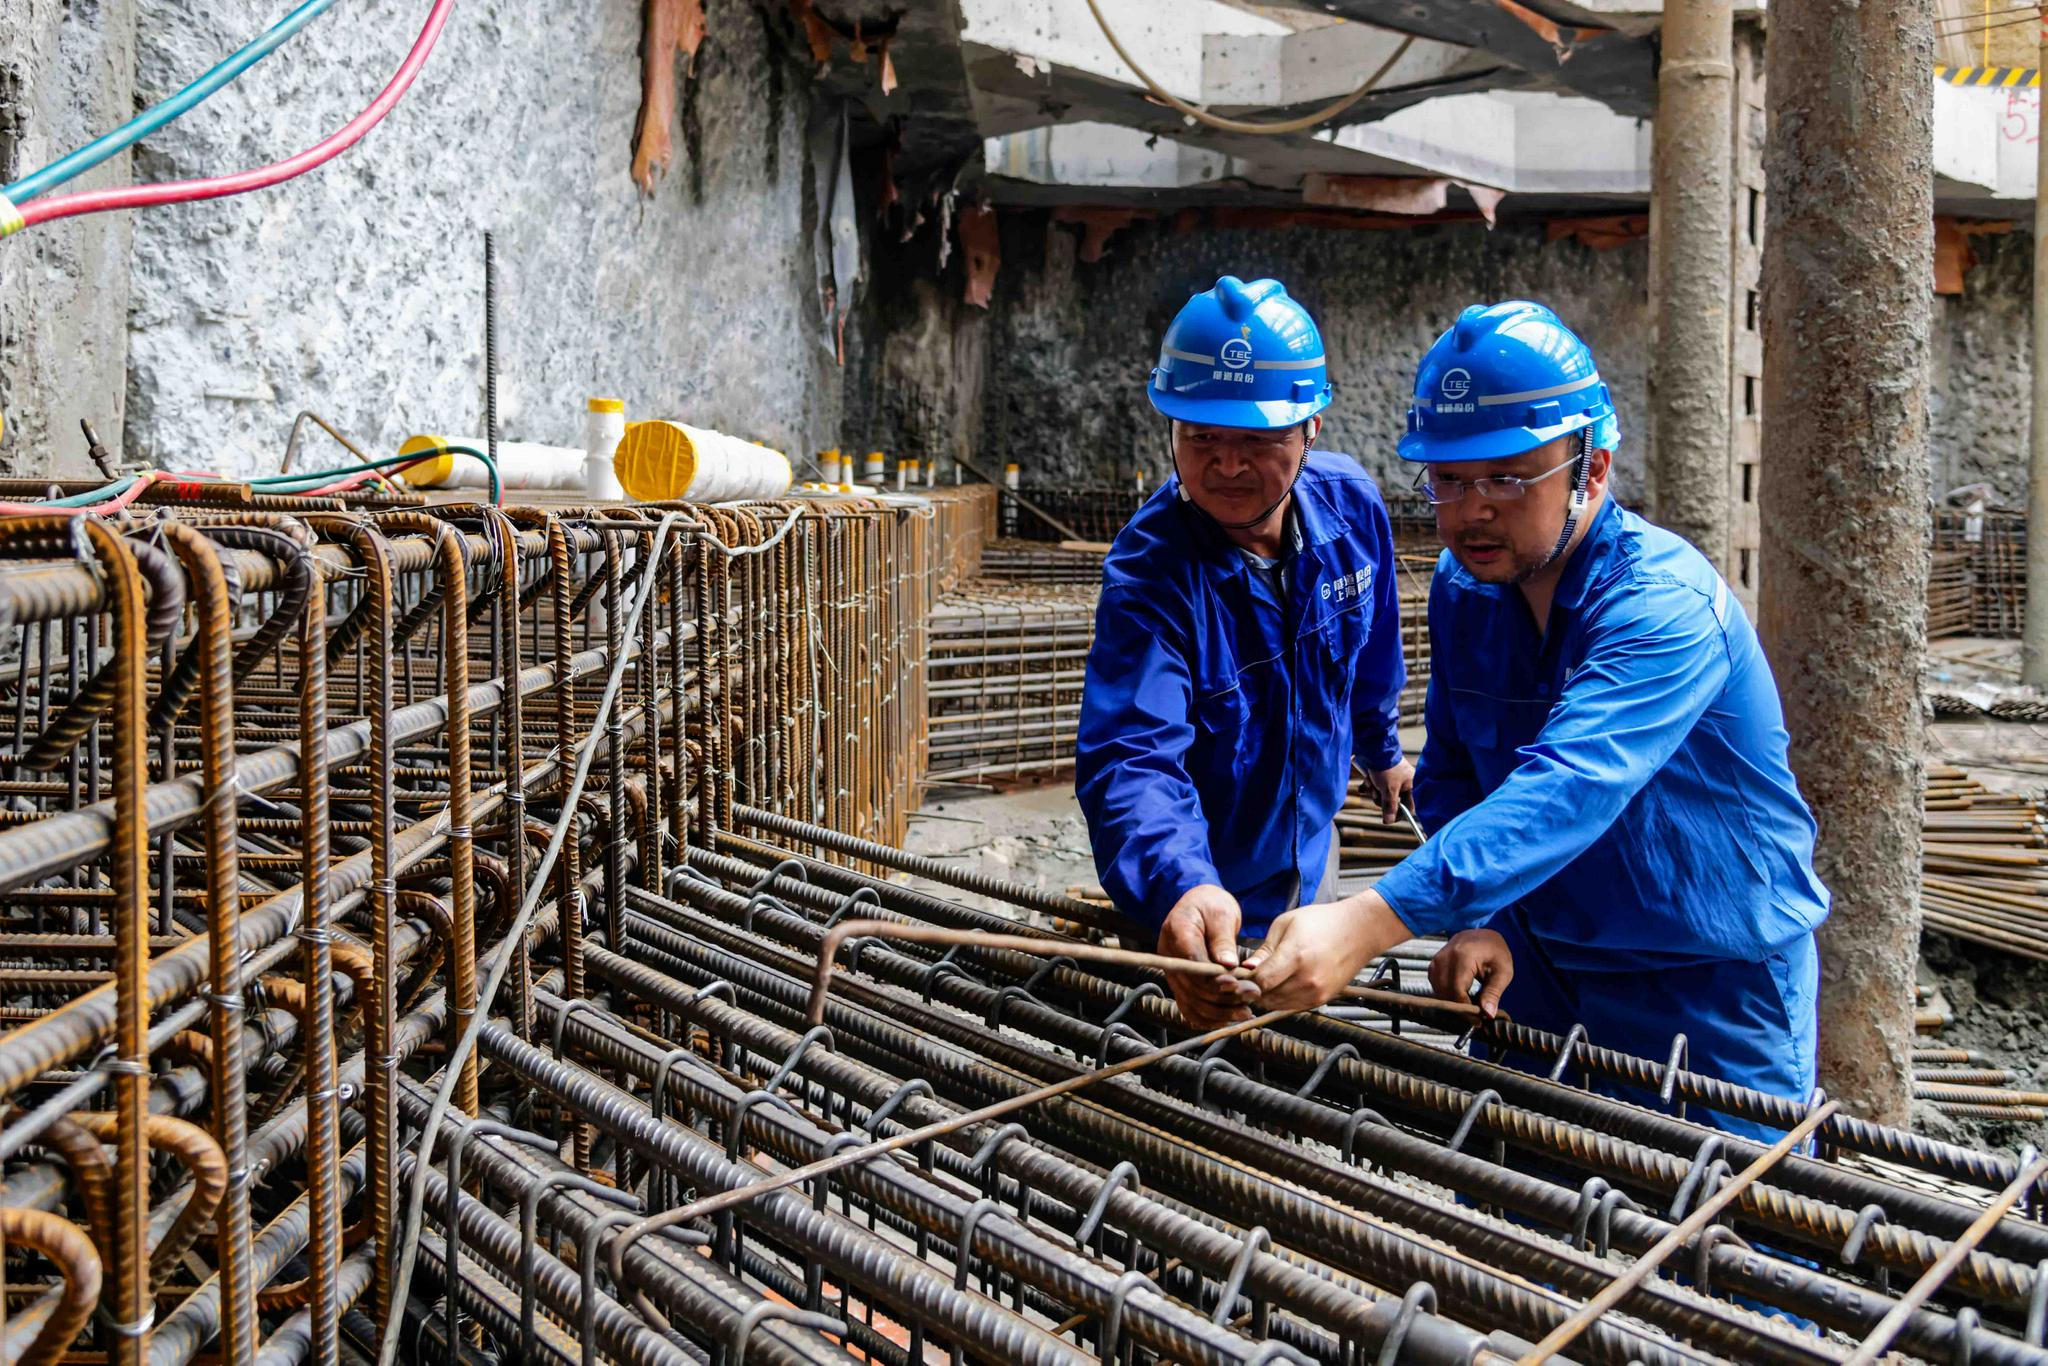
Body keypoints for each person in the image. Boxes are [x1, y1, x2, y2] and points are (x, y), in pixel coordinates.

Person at [1244, 300, 1831, 1140]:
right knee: (1538, 1228)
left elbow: (1567, 789)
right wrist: (1486, 918)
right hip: (1542, 966)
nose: (1470, 511)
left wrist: (1370, 921)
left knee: (1727, 1241)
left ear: (1591, 468)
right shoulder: (1466, 587)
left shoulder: (1663, 608)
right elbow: (1453, 769)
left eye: (1507, 478)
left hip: (1706, 983)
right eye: (1447, 480)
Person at [1074, 275, 1413, 1031]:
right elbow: (1133, 754)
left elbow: (1375, 643)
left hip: (1311, 853)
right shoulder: (1151, 571)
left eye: (1256, 442)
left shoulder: (1354, 509)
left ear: (1311, 427)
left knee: (1298, 1054)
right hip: (1203, 889)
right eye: (1200, 438)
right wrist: (1181, 886)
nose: (1225, 466)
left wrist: (1381, 747)